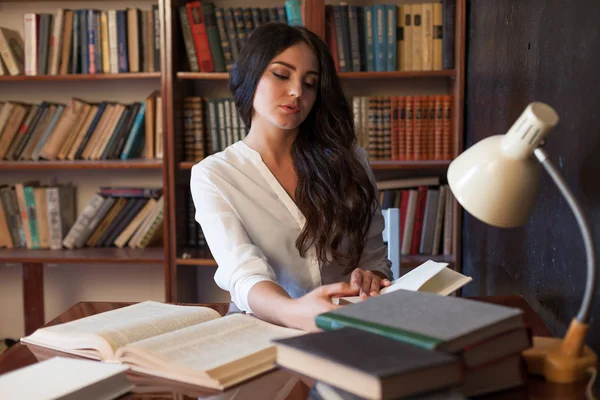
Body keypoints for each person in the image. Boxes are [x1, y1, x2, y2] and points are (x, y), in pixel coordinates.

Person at [190, 22, 392, 335]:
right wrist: (295, 312)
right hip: (265, 332)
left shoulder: (349, 160)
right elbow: (243, 273)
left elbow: (375, 258)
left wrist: (370, 276)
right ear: (250, 75)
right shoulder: (214, 175)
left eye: (310, 83)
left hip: (350, 328)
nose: (297, 91)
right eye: (282, 75)